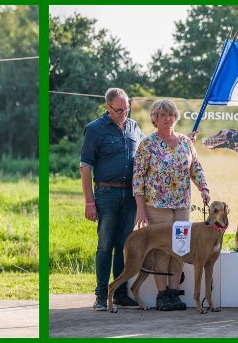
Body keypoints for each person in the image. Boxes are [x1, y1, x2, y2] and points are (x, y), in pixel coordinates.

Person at [131, 99, 210, 311]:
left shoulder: (186, 142)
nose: (167, 119)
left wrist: (204, 189)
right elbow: (138, 178)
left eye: (171, 115)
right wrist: (140, 208)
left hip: (182, 204)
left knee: (181, 248)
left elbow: (197, 169)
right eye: (162, 115)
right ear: (155, 119)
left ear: (176, 117)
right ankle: (162, 294)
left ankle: (175, 292)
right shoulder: (147, 145)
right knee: (161, 249)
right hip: (156, 206)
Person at [81, 87, 144, 311]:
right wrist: (89, 202)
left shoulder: (134, 127)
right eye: (118, 110)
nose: (123, 114)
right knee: (105, 244)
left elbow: (149, 151)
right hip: (106, 193)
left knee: (124, 245)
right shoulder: (94, 130)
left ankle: (119, 293)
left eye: (126, 109)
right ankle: (100, 295)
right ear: (107, 107)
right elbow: (85, 167)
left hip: (130, 194)